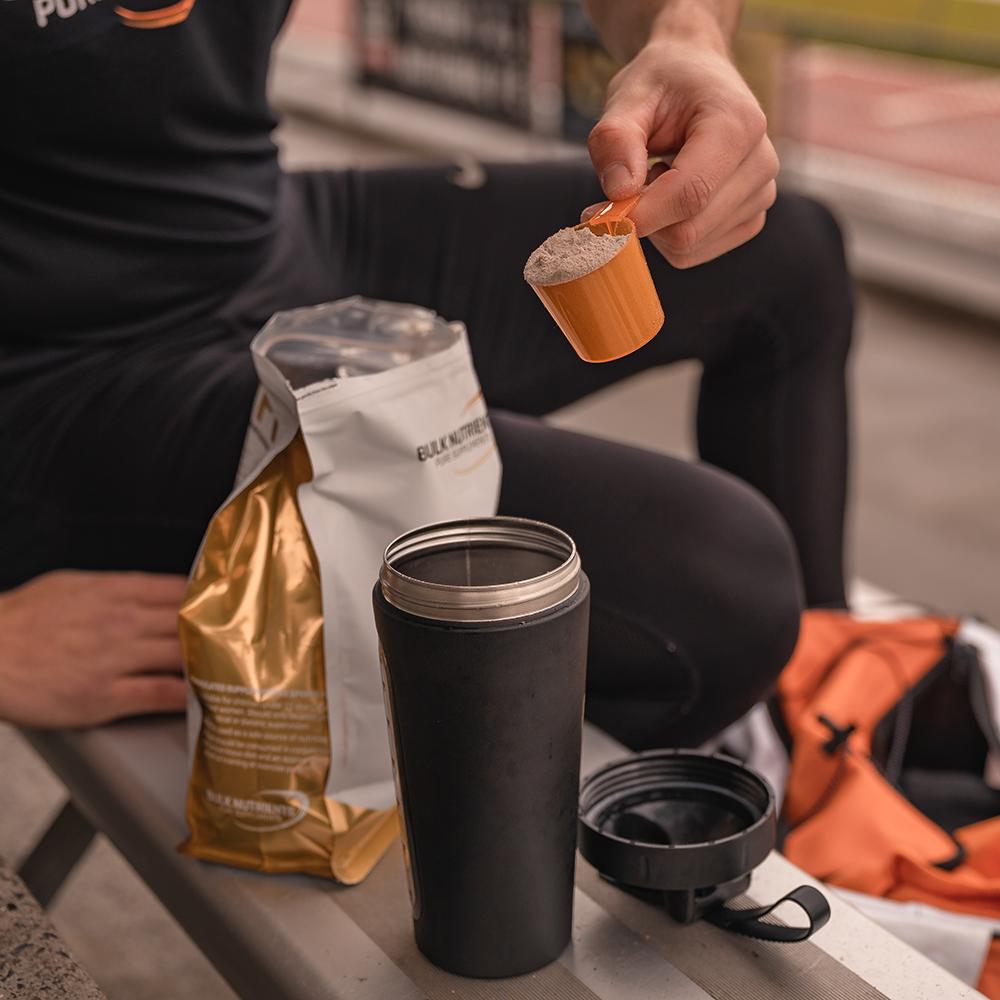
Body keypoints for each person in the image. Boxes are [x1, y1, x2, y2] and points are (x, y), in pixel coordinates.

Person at [0, 0, 851, 745]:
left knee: (789, 258)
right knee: (723, 581)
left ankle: (836, 719)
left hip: (256, 229)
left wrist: (684, 36)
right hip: (58, 376)